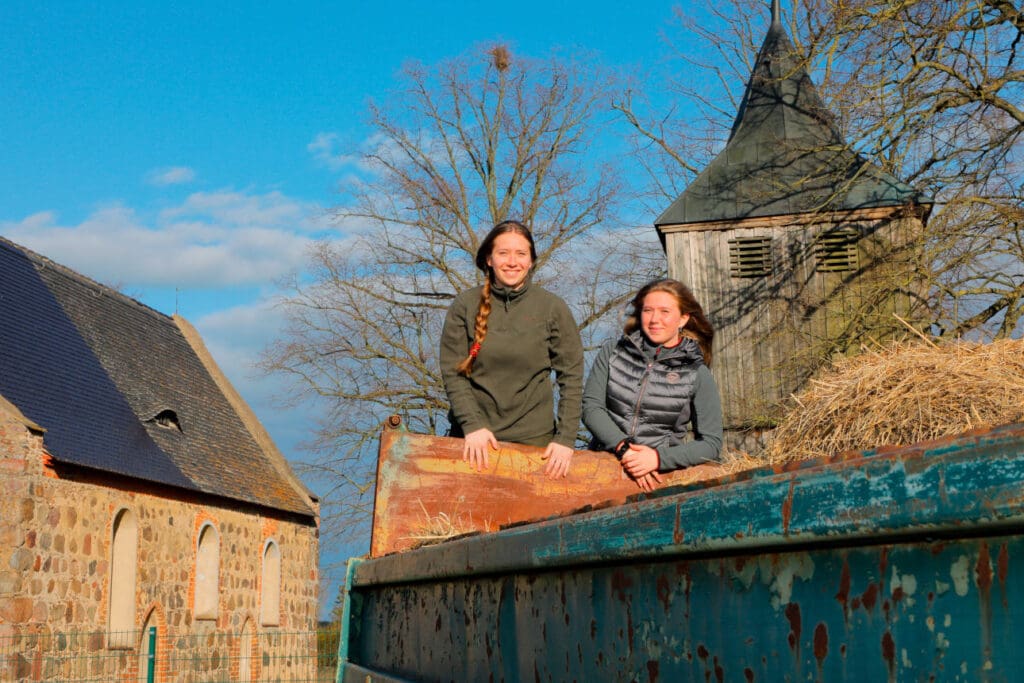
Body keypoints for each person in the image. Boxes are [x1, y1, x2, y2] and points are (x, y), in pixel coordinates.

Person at [439, 220, 584, 478]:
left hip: (535, 445)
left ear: (531, 261)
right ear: (489, 259)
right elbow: (453, 374)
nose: (512, 261)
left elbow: (571, 378)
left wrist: (565, 439)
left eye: (521, 254)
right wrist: (472, 426)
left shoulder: (552, 308)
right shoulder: (465, 305)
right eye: (503, 253)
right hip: (474, 443)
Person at [582, 278, 723, 492]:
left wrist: (657, 458)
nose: (655, 319)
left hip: (656, 481)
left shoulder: (697, 373)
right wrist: (624, 449)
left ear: (683, 319)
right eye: (648, 310)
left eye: (665, 311)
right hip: (599, 469)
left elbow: (711, 443)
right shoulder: (613, 351)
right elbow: (591, 407)